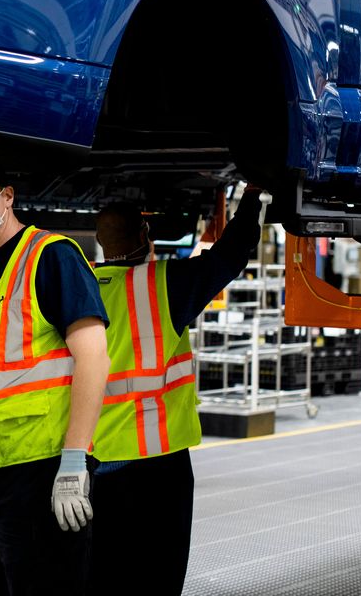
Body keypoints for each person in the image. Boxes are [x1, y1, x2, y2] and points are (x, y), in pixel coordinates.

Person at [0, 154, 110, 596]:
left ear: (7, 195)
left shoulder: (50, 255)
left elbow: (94, 359)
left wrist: (73, 464)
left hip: (40, 475)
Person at [90, 187, 264, 595]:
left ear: (101, 242)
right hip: (157, 466)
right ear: (144, 235)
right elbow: (231, 254)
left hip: (92, 463)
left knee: (100, 574)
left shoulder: (76, 290)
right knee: (159, 574)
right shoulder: (164, 284)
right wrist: (253, 196)